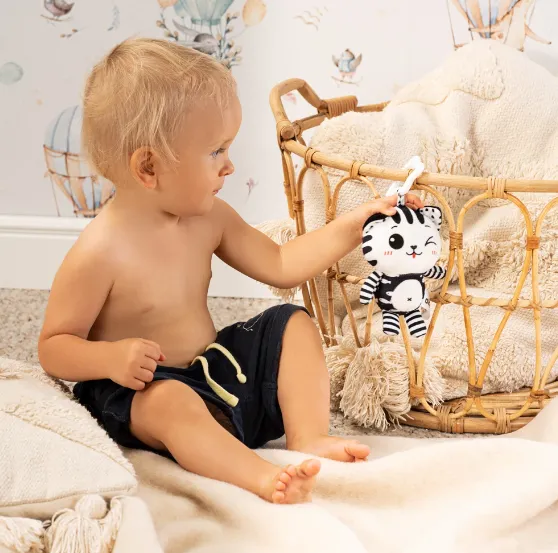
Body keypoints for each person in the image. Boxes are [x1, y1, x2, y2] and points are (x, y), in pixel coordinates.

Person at [38, 38, 424, 504]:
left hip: (218, 375)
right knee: (171, 402)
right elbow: (53, 347)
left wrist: (355, 224)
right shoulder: (99, 252)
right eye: (216, 151)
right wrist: (110, 359)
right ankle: (261, 477)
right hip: (142, 393)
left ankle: (308, 436)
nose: (229, 166)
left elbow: (281, 264)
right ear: (148, 167)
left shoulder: (209, 217)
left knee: (292, 323)